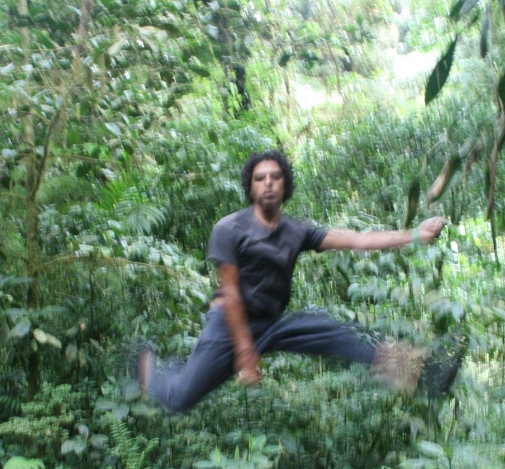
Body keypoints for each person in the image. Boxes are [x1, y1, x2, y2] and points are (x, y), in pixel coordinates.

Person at [140, 149, 447, 412]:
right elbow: (231, 295)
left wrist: (415, 234)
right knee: (180, 398)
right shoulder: (229, 229)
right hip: (230, 324)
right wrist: (247, 355)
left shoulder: (297, 231)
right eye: (260, 178)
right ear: (251, 187)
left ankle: (423, 370)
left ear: (285, 183)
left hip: (271, 323)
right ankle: (146, 366)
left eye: (275, 176)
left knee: (331, 331)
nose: (268, 183)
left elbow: (358, 239)